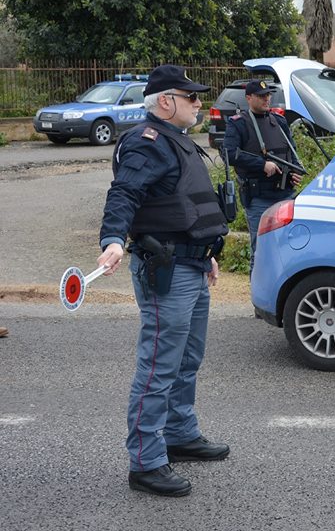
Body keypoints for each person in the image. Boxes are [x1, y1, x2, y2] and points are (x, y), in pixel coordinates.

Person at [96, 64, 230, 497]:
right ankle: (146, 461)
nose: (198, 103)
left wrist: (207, 253)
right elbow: (124, 193)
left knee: (187, 360)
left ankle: (179, 434)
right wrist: (114, 238)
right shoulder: (147, 143)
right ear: (166, 102)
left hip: (191, 264)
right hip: (166, 271)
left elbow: (188, 206)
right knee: (158, 367)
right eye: (190, 97)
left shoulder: (178, 142)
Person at [221, 80, 303, 271]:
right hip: (259, 198)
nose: (267, 99)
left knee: (291, 247)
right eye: (261, 96)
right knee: (262, 251)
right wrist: (261, 165)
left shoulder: (279, 121)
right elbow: (229, 154)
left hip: (286, 194)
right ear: (249, 98)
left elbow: (291, 152)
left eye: (268, 95)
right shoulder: (239, 124)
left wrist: (296, 171)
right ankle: (260, 295)